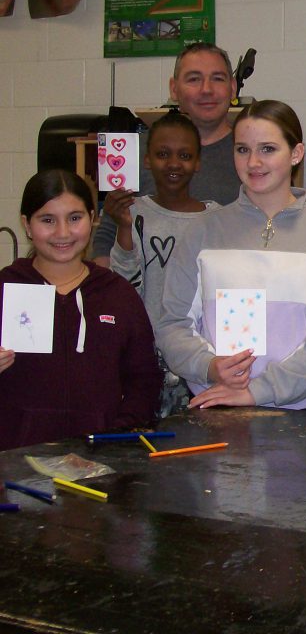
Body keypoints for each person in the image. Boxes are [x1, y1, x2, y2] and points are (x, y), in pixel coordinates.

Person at [155, 100, 306, 410]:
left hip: (301, 414)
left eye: (267, 149)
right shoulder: (202, 232)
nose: (253, 163)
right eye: (242, 150)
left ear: (296, 153)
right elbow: (172, 324)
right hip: (216, 407)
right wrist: (209, 366)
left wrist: (259, 391)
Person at [0, 170, 162, 450]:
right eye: (47, 220)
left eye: (75, 218)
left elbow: (144, 379)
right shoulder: (6, 287)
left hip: (99, 463)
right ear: (27, 225)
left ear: (92, 218)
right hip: (17, 460)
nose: (62, 233)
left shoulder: (117, 294)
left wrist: (117, 435)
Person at [106, 112, 220, 417]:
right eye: (162, 154)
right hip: (144, 357)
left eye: (184, 156)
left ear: (197, 162)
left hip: (198, 358)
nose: (173, 164)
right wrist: (123, 227)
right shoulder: (133, 212)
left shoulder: (216, 219)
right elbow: (122, 282)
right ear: (146, 160)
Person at [92, 42, 242, 263]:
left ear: (233, 88)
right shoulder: (134, 151)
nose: (207, 89)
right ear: (174, 89)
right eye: (194, 79)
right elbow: (106, 236)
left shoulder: (251, 156)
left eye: (217, 78)